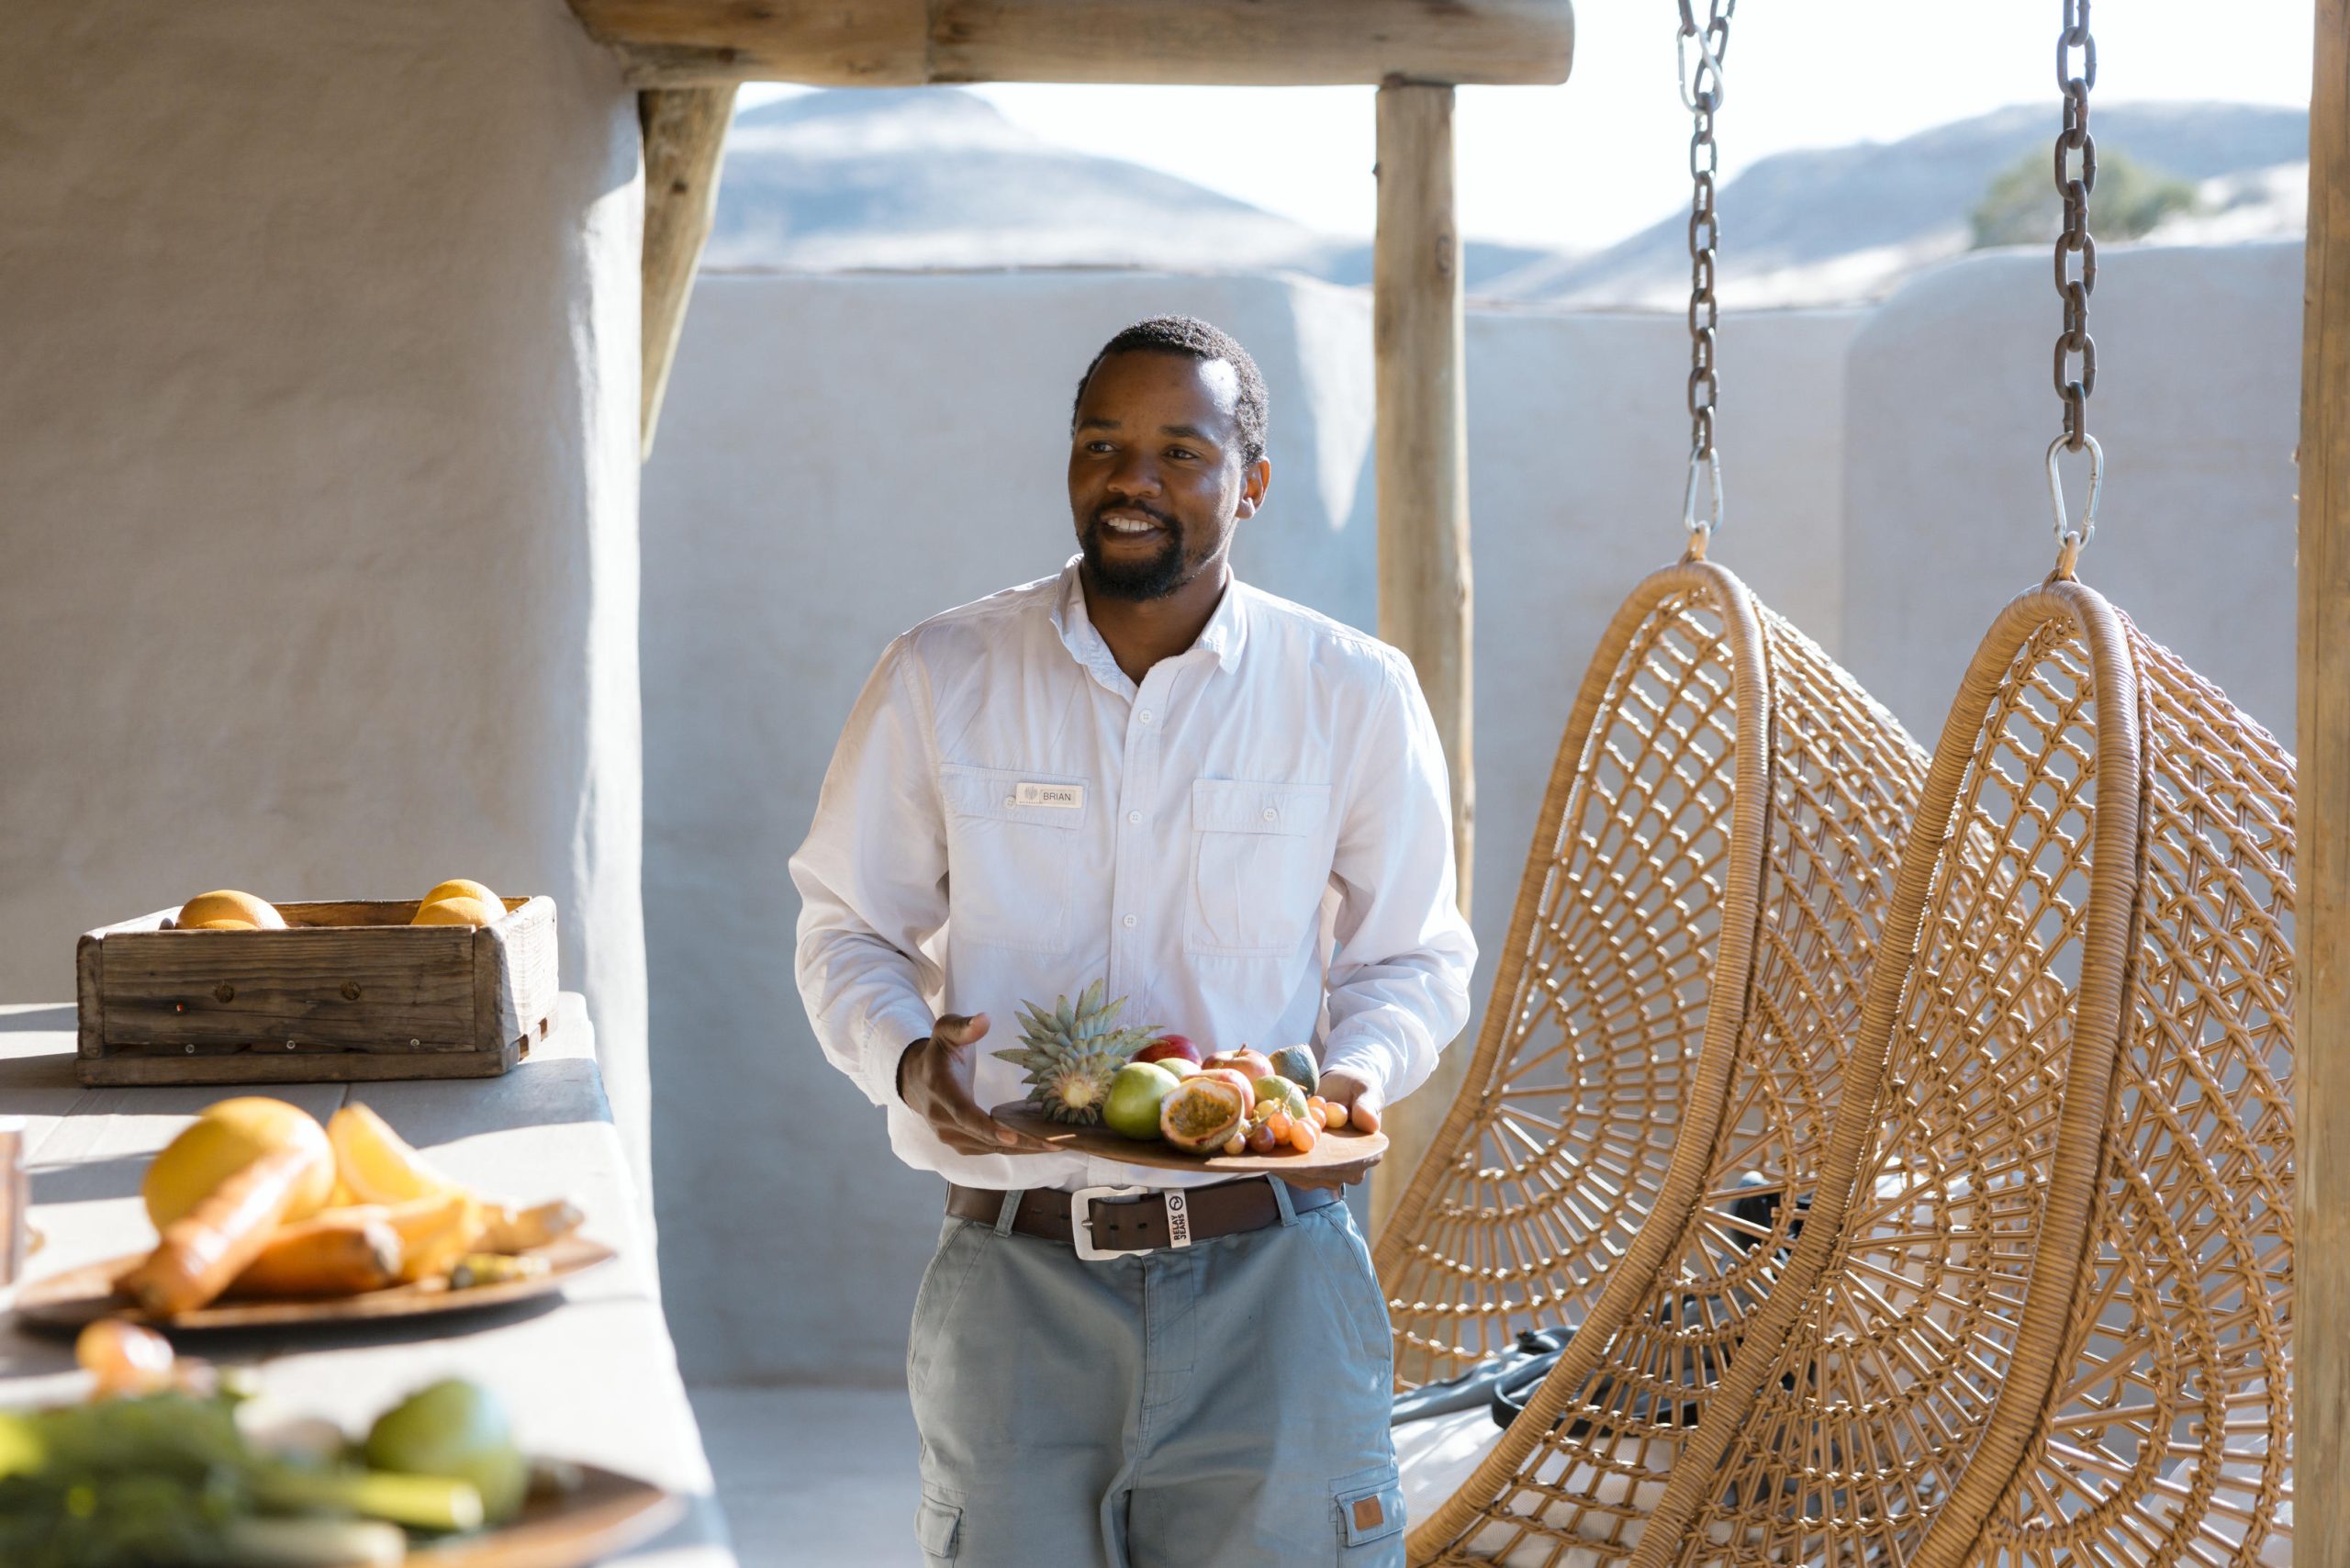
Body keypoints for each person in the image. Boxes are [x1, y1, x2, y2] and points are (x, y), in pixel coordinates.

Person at [791, 315, 1475, 1567]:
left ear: (1250, 483)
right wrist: (903, 1061)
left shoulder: (1351, 692)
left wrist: (1347, 1084)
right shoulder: (944, 672)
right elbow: (848, 924)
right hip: (1013, 1283)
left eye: (1180, 450)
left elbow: (1413, 959)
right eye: (1104, 443)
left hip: (1274, 1277)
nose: (1134, 480)